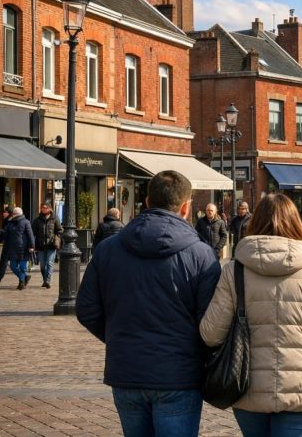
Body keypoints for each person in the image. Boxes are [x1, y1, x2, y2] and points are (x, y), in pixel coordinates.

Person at [76, 170, 221, 437]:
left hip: (127, 368)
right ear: (186, 207)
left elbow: (86, 308)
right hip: (178, 374)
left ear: (145, 201)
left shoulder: (108, 249)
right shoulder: (202, 255)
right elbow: (210, 322)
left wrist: (118, 336)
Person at [200, 193, 302, 435]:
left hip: (248, 387)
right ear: (296, 223)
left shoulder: (234, 271)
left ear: (255, 222)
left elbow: (210, 334)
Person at [2, 207, 34, 290]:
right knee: (13, 266)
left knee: (23, 267)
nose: (14, 215)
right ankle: (24, 277)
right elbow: (6, 234)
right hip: (12, 248)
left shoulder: (26, 222)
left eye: (15, 214)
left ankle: (21, 283)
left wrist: (32, 246)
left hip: (24, 248)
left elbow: (30, 235)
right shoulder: (10, 223)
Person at [32, 202, 63, 289]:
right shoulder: (37, 220)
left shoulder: (55, 219)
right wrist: (32, 244)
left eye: (45, 207)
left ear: (49, 209)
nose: (43, 209)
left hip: (51, 246)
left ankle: (47, 281)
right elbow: (32, 232)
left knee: (49, 263)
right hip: (40, 246)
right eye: (42, 207)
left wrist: (56, 238)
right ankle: (45, 279)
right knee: (42, 266)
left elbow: (59, 230)